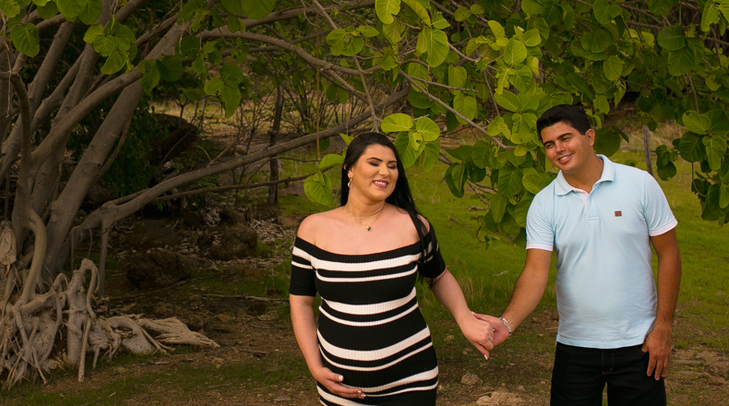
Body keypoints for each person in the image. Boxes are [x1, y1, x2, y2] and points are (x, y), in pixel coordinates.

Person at [481, 104, 681, 406]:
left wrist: (662, 327)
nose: (558, 149)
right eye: (549, 144)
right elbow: (536, 273)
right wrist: (507, 323)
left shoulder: (640, 184)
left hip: (639, 345)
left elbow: (669, 255)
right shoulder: (544, 203)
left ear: (589, 136)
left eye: (566, 138)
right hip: (575, 349)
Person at [289, 131, 496, 405]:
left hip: (412, 381)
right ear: (349, 169)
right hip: (340, 387)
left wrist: (465, 319)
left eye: (392, 165)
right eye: (374, 163)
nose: (385, 172)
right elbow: (301, 302)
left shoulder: (413, 226)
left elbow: (439, 276)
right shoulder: (313, 229)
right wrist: (315, 366)